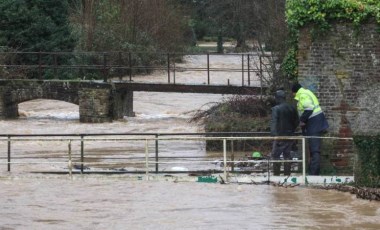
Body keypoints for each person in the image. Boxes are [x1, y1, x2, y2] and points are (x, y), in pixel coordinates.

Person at [291, 83, 329, 175]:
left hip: (314, 122)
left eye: (292, 93)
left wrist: (302, 121)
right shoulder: (307, 92)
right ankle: (312, 171)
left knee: (314, 149)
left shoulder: (302, 95)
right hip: (315, 121)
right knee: (313, 148)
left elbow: (309, 109)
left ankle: (313, 174)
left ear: (294, 92)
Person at [270, 89, 299, 176]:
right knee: (287, 155)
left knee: (275, 155)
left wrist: (274, 135)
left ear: (278, 98)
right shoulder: (292, 108)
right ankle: (287, 174)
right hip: (290, 135)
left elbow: (274, 122)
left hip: (279, 136)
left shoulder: (276, 109)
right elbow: (297, 121)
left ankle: (277, 175)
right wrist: (292, 130)